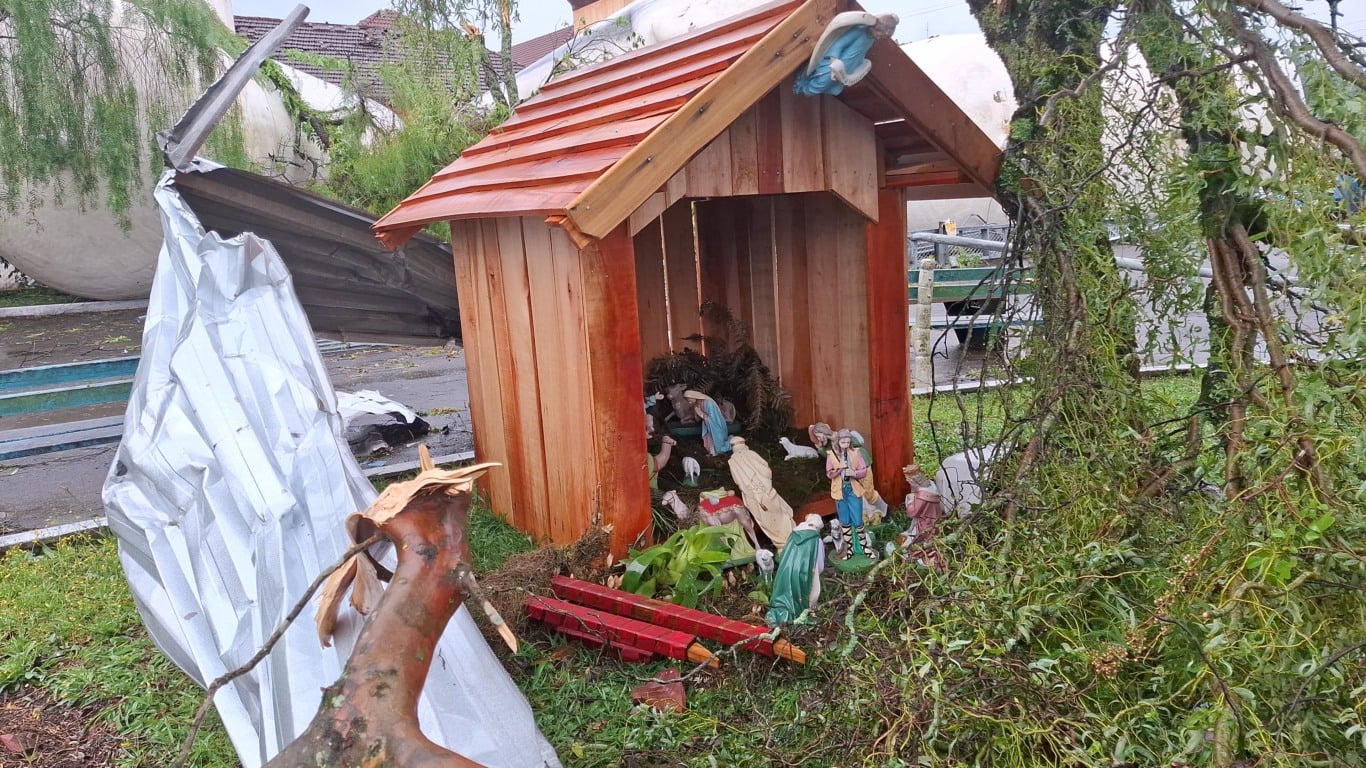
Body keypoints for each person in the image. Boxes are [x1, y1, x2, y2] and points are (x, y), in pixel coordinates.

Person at [794, 12, 899, 97]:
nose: (879, 38)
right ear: (877, 28)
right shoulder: (859, 31)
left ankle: (805, 87)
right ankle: (800, 86)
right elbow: (839, 45)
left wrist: (859, 67)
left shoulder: (871, 39)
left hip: (846, 69)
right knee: (820, 84)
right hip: (833, 65)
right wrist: (834, 61)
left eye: (882, 37)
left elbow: (860, 53)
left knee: (834, 89)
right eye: (880, 34)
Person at [727, 436, 794, 552]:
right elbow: (766, 469)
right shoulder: (751, 454)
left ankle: (782, 543)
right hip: (765, 491)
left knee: (767, 520)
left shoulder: (733, 461)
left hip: (754, 495)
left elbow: (739, 481)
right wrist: (764, 484)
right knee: (779, 514)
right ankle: (787, 541)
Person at [765, 514, 826, 626]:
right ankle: (805, 612)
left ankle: (785, 609)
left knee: (786, 588)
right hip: (804, 573)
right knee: (811, 591)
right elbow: (820, 564)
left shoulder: (793, 535)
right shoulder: (815, 540)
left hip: (786, 570)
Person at [825, 429, 876, 561]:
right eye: (843, 442)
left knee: (858, 520)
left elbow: (863, 470)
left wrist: (854, 473)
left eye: (848, 442)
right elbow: (829, 473)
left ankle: (864, 547)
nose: (846, 445)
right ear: (838, 442)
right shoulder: (831, 455)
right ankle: (849, 549)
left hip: (853, 490)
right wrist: (839, 469)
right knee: (845, 521)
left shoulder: (856, 453)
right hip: (840, 492)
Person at [684, 390, 731, 456]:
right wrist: (697, 412)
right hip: (708, 425)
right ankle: (713, 452)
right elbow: (697, 419)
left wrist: (702, 414)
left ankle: (727, 445)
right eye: (688, 401)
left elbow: (713, 418)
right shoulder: (698, 405)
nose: (689, 402)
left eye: (689, 400)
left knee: (718, 441)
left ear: (694, 396)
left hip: (716, 425)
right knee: (710, 439)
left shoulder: (708, 403)